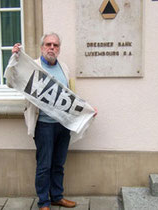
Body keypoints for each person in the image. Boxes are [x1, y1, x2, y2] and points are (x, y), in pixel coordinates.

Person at [12, 32, 97, 210]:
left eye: (55, 45)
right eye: (48, 44)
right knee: (44, 165)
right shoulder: (32, 67)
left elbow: (71, 96)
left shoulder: (64, 68)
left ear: (59, 49)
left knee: (58, 164)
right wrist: (15, 58)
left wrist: (87, 110)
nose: (52, 48)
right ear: (42, 47)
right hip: (43, 125)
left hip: (63, 125)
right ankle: (44, 202)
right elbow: (13, 78)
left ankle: (57, 196)